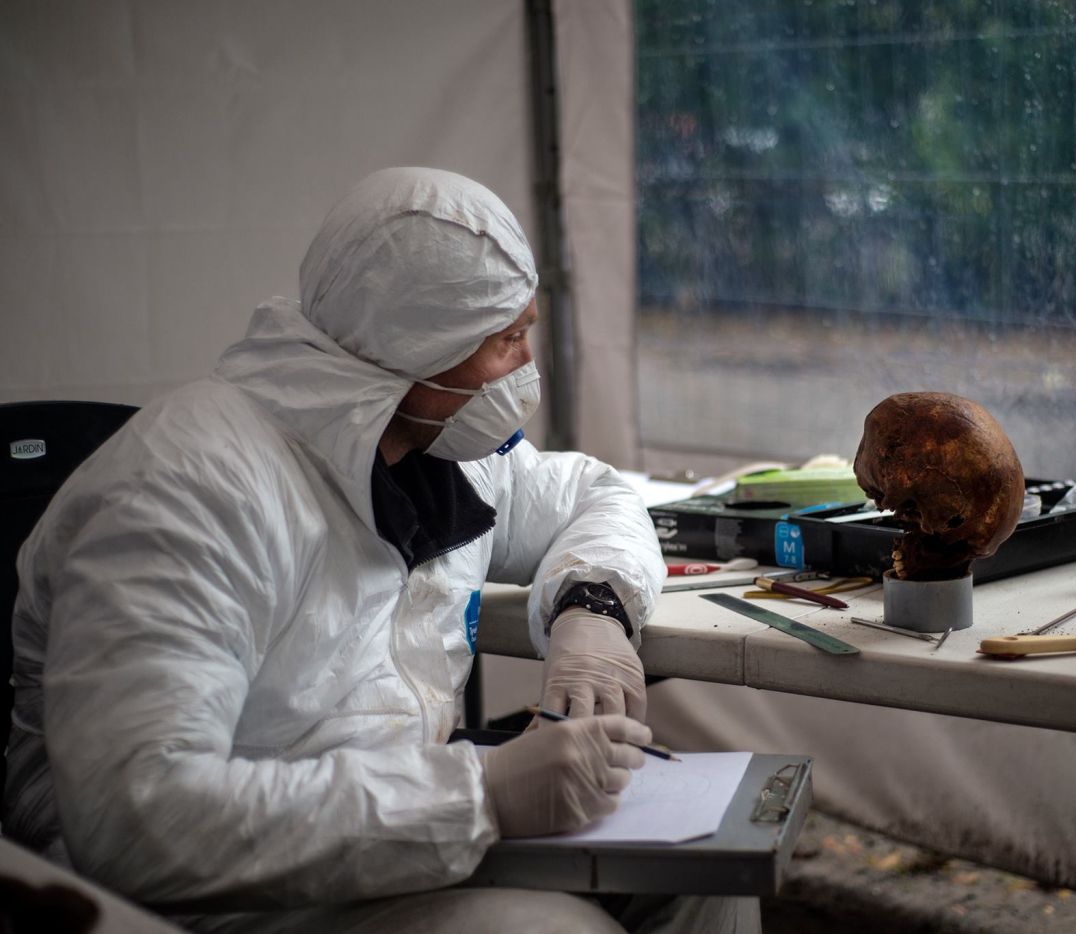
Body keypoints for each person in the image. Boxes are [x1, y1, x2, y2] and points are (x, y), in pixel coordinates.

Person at [5, 168, 759, 932]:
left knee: (708, 867)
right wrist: (480, 796)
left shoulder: (434, 442)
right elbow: (138, 820)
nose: (527, 367)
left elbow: (595, 496)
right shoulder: (186, 491)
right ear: (414, 347)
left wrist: (591, 608)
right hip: (211, 895)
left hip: (390, 824)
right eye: (506, 341)